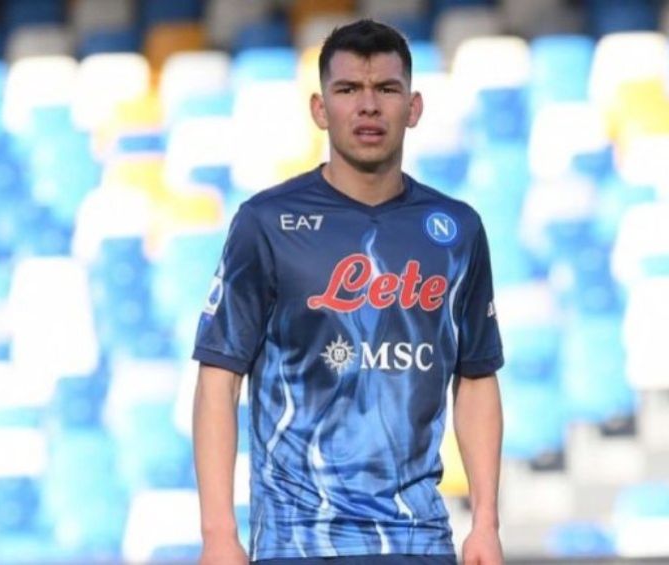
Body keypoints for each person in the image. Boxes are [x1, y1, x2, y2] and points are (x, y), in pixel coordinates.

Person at [192, 18, 505, 565]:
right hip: (298, 541)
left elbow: (476, 377)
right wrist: (219, 534)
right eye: (348, 89)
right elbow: (219, 377)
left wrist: (485, 523)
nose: (368, 106)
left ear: (414, 107)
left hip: (418, 541)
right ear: (320, 109)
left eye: (386, 89)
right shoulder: (266, 223)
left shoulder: (458, 230)